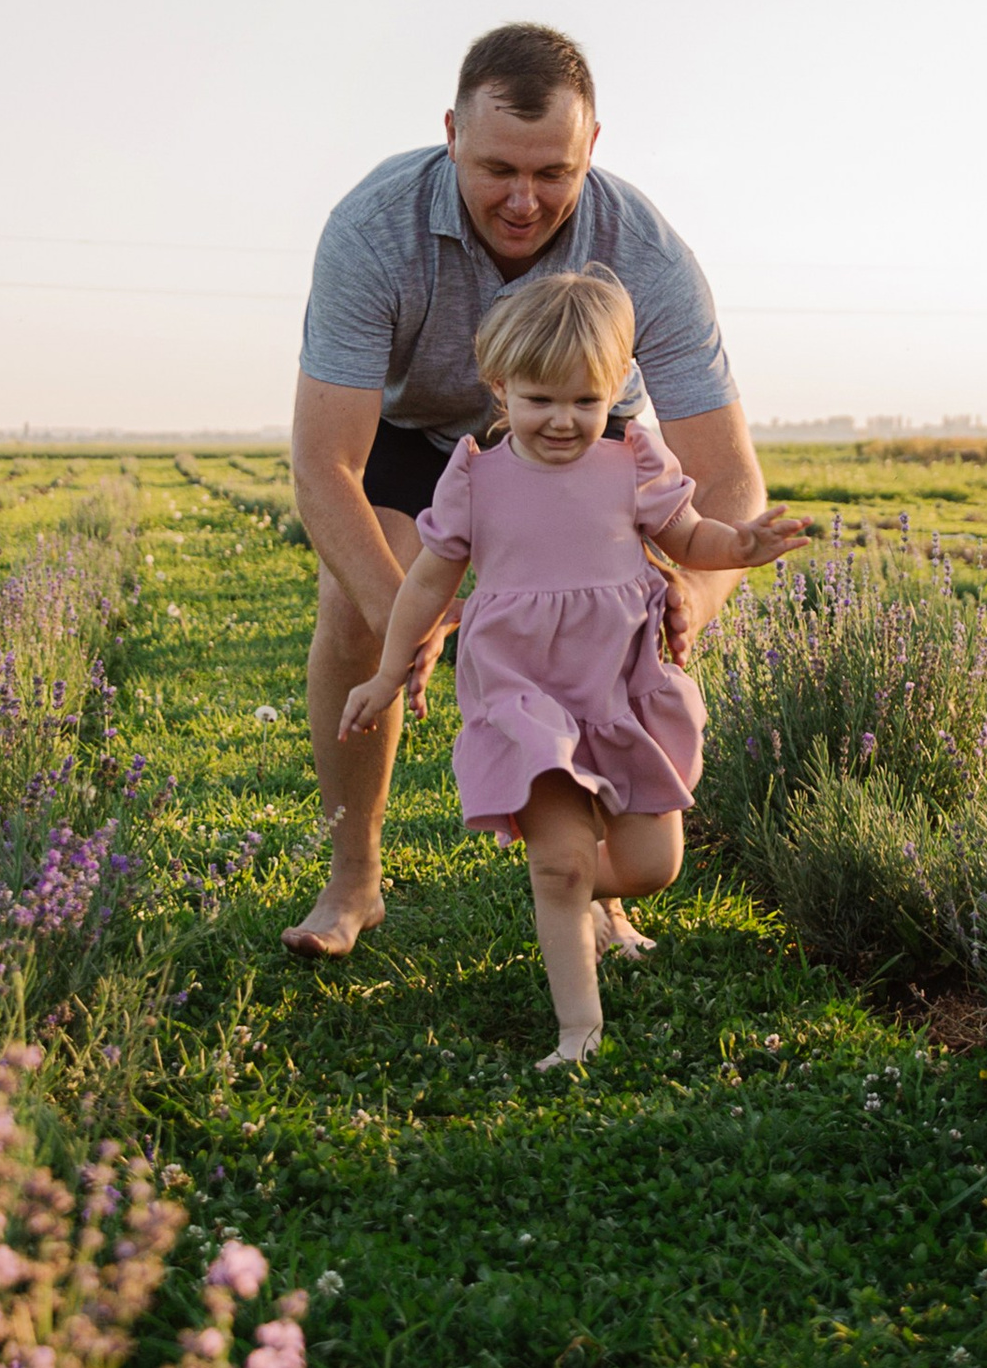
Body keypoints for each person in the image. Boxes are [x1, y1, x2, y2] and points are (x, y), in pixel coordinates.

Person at [287, 20, 768, 956]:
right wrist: (409, 625)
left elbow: (731, 477)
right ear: (451, 135)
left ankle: (598, 889)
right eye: (498, 168)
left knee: (609, 632)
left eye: (553, 174)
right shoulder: (371, 229)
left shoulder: (647, 252)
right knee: (353, 613)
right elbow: (323, 468)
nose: (523, 199)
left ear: (593, 148)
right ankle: (354, 881)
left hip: (578, 433)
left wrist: (686, 606)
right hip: (415, 435)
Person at [339, 269, 806, 1064]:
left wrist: (741, 545)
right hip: (524, 695)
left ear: (617, 389)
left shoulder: (631, 462)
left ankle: (588, 901)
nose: (563, 421)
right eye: (540, 400)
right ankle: (577, 1028)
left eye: (585, 402)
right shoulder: (477, 478)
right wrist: (387, 670)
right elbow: (428, 579)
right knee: (558, 862)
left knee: (652, 865)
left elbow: (689, 537)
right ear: (501, 387)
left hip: (622, 688)